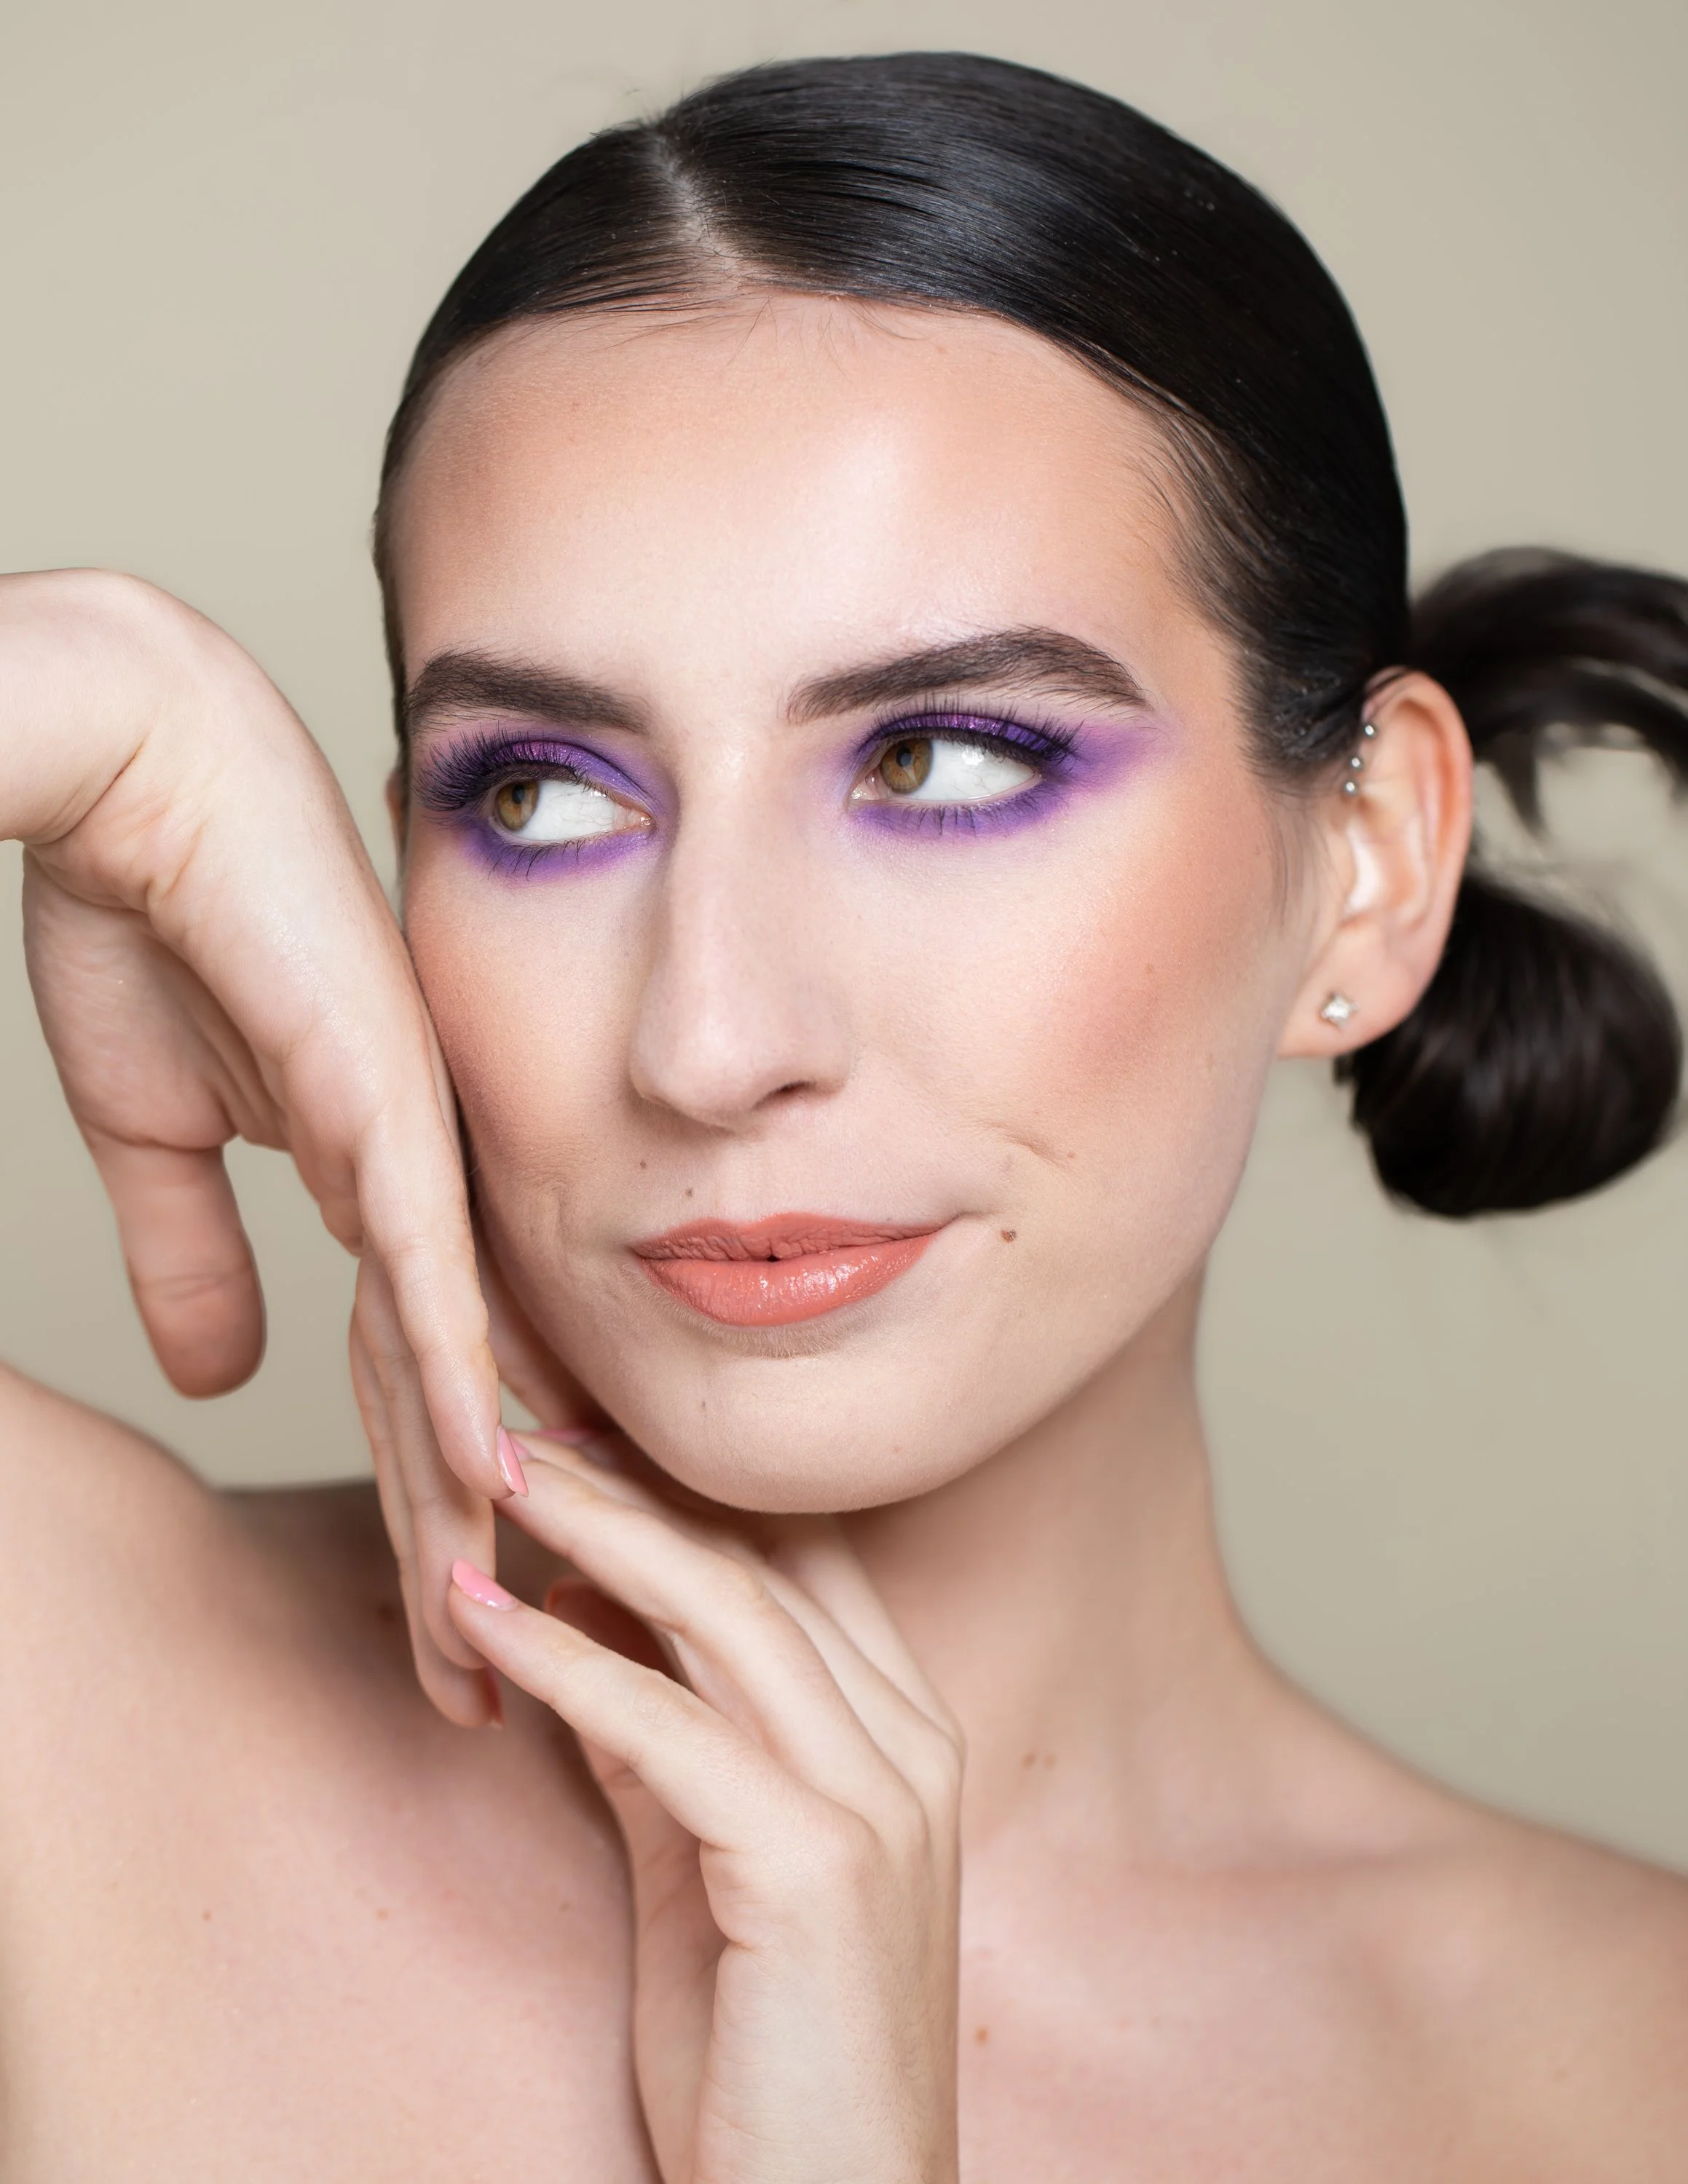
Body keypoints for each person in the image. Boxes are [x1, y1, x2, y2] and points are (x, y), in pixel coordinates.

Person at [2, 50, 1686, 2180]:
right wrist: (89, 696)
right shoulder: (50, 1692)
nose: (709, 1042)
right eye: (539, 795)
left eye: (944, 762)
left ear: (1368, 866)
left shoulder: (1625, 2080)